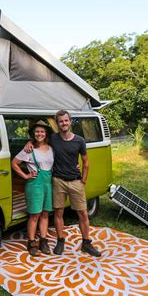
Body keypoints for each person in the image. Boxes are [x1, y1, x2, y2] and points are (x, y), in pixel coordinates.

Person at [25, 110, 101, 257]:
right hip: (58, 181)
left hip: (75, 181)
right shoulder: (53, 138)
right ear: (57, 123)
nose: (64, 123)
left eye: (66, 121)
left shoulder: (79, 140)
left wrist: (83, 180)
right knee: (58, 213)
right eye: (60, 121)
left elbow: (85, 162)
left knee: (83, 213)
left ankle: (86, 243)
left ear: (70, 122)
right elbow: (39, 140)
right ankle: (60, 241)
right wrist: (29, 141)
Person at [11, 120, 54, 256]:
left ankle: (43, 240)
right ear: (33, 134)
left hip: (48, 184)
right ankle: (31, 242)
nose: (39, 134)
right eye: (37, 131)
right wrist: (25, 176)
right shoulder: (29, 149)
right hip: (34, 184)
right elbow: (14, 163)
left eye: (42, 131)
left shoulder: (51, 148)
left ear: (46, 133)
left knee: (46, 213)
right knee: (35, 214)